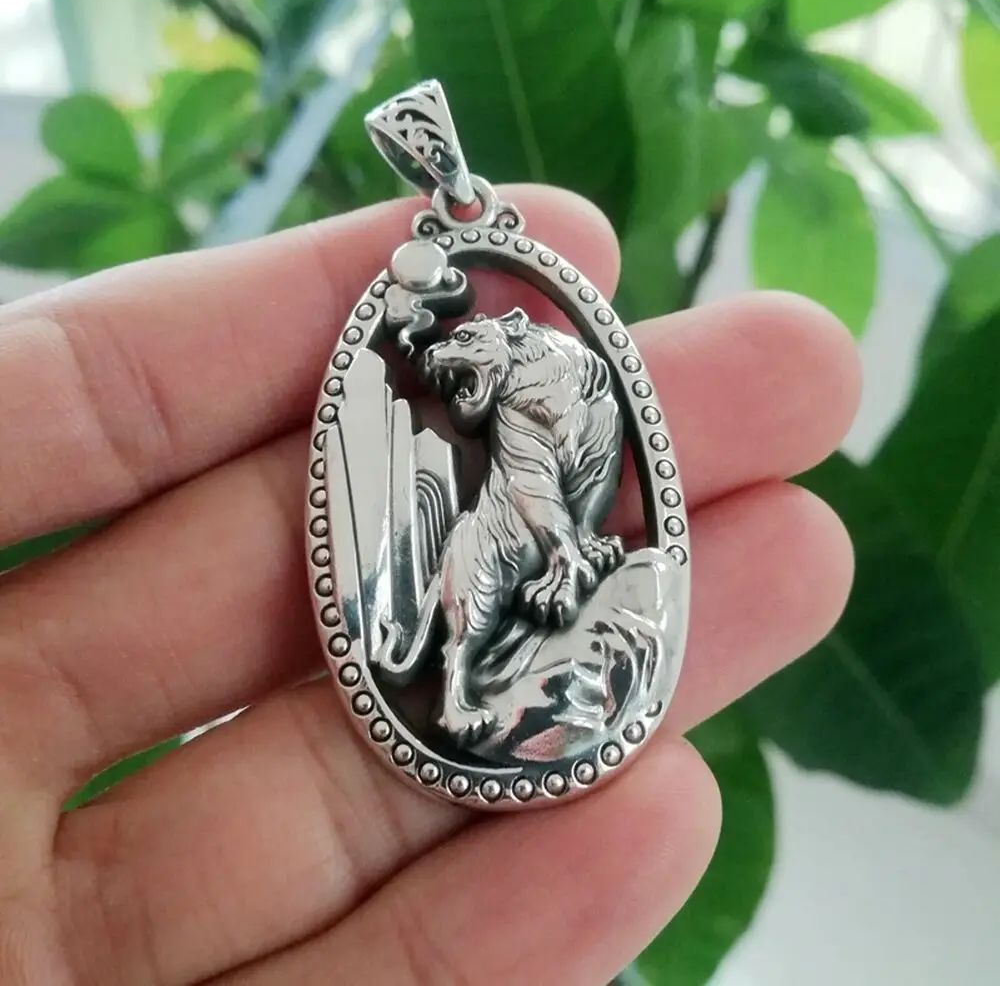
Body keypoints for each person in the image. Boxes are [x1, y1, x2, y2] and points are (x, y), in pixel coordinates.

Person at [0, 185, 858, 985]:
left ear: (509, 336)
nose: (453, 371)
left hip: (549, 538)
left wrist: (572, 551)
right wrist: (559, 549)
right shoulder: (505, 407)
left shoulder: (556, 371)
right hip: (500, 550)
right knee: (471, 608)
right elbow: (525, 488)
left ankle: (491, 663)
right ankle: (459, 692)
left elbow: (559, 483)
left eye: (466, 349)